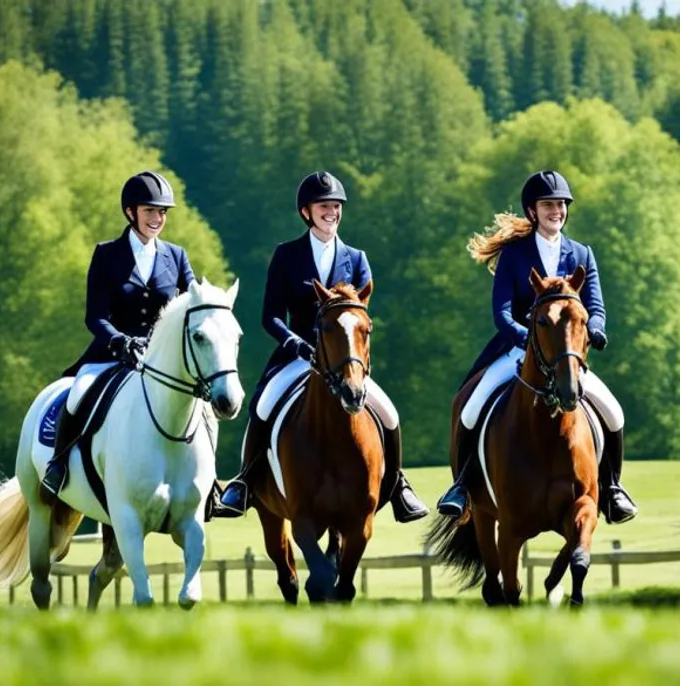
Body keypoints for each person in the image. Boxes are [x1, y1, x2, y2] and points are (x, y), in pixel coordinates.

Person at [214, 171, 428, 522]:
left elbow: (359, 318)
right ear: (306, 212)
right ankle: (245, 481)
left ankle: (398, 484)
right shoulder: (286, 256)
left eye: (336, 206)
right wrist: (296, 344)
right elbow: (271, 316)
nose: (331, 212)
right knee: (263, 406)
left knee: (389, 413)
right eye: (323, 206)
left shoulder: (356, 259)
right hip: (297, 357)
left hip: (345, 361)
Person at [435, 170, 638, 524]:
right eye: (548, 205)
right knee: (470, 409)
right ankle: (462, 486)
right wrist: (525, 338)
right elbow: (501, 312)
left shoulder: (582, 254)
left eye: (560, 205)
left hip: (566, 357)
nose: (556, 211)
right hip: (518, 349)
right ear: (532, 211)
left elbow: (595, 305)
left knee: (614, 413)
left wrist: (596, 329)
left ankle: (612, 488)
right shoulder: (515, 255)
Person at [42, 170, 196, 495]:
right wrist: (119, 340)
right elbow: (94, 317)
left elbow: (192, 305)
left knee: (202, 405)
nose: (157, 218)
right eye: (150, 211)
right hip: (113, 353)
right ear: (131, 212)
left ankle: (207, 486)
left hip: (161, 360)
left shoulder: (177, 256)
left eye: (162, 212)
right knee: (77, 395)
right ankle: (57, 463)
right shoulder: (107, 255)